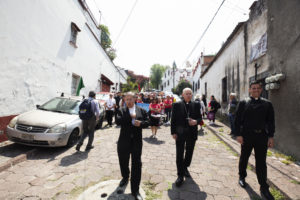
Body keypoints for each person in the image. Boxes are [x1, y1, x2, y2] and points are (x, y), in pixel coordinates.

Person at [234, 81, 275, 200]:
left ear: (261, 90)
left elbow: (271, 122)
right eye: (253, 88)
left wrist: (271, 136)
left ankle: (263, 186)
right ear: (249, 90)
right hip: (246, 135)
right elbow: (237, 120)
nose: (255, 90)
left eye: (258, 88)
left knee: (261, 162)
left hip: (261, 136)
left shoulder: (267, 104)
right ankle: (242, 177)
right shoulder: (243, 103)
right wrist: (238, 135)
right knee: (244, 157)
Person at [116, 92, 149, 200]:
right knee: (123, 161)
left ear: (135, 99)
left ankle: (135, 190)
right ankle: (125, 177)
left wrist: (141, 123)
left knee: (136, 165)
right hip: (123, 141)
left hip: (136, 142)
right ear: (124, 100)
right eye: (127, 99)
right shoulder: (122, 110)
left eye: (130, 99)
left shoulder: (142, 110)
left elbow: (148, 122)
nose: (129, 101)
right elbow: (118, 121)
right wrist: (129, 116)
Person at [171, 88, 202, 187]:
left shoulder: (196, 104)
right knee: (179, 154)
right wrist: (173, 132)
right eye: (187, 94)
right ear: (182, 95)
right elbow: (173, 120)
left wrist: (196, 122)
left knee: (189, 153)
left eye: (190, 94)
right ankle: (180, 175)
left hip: (192, 133)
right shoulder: (176, 105)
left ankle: (185, 167)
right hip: (180, 133)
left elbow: (200, 117)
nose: (189, 95)